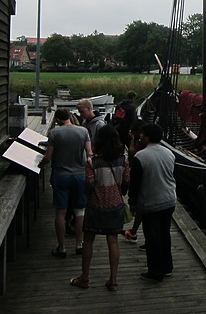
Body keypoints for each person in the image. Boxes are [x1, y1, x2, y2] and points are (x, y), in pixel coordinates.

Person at [70, 124, 130, 291]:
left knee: (88, 240)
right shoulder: (123, 160)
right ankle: (113, 280)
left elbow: (89, 184)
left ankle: (85, 278)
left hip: (96, 205)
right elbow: (126, 183)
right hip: (115, 205)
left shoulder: (92, 162)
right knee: (113, 241)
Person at [40, 108, 91, 258]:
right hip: (80, 175)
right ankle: (79, 244)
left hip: (61, 176)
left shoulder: (55, 133)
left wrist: (40, 165)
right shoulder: (83, 131)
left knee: (61, 212)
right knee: (79, 211)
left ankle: (61, 247)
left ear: (57, 120)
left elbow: (48, 157)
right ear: (69, 116)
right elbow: (89, 154)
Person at [129, 123, 176, 282]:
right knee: (164, 234)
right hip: (169, 200)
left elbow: (134, 184)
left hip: (151, 202)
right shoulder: (169, 153)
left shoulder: (140, 157)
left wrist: (133, 203)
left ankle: (155, 271)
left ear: (147, 137)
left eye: (142, 134)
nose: (140, 137)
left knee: (152, 237)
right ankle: (167, 267)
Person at [123, 119, 145, 243]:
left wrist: (131, 139)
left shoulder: (140, 141)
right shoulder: (141, 140)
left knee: (141, 207)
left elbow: (132, 152)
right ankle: (134, 230)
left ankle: (134, 231)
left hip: (139, 174)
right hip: (136, 171)